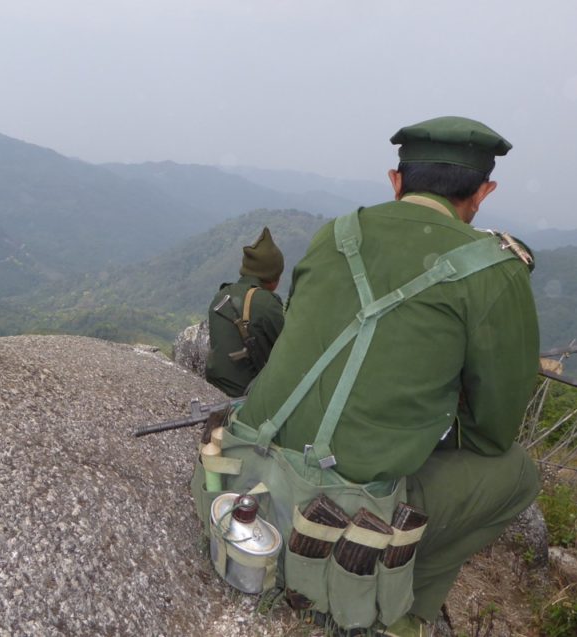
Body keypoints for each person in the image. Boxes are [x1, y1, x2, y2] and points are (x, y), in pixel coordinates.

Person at [237, 117, 540, 636]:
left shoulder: (335, 234)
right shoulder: (495, 269)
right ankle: (404, 607)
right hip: (352, 498)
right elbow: (492, 432)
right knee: (518, 475)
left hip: (254, 463)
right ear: (483, 193)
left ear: (396, 181)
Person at [204, 226, 285, 397]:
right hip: (247, 396)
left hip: (213, 389)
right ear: (272, 277)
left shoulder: (220, 295)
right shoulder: (268, 304)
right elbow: (289, 348)